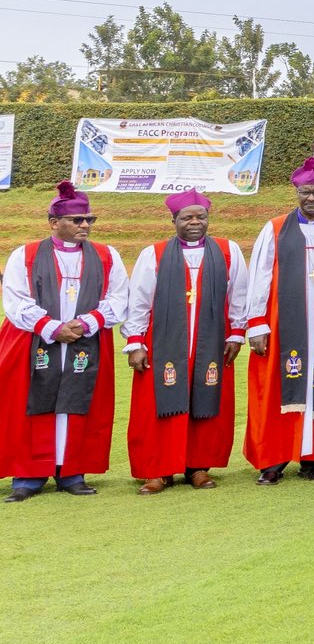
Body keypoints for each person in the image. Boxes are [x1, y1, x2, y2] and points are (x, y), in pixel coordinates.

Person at [1, 182, 127, 501]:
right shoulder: (25, 255)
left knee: (78, 403)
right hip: (35, 342)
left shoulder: (107, 256)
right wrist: (51, 327)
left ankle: (72, 471)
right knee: (31, 405)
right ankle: (29, 475)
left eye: (89, 219)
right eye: (77, 219)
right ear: (54, 223)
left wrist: (86, 323)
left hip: (86, 341)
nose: (85, 225)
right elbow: (15, 299)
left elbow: (118, 298)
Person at [124, 191, 250, 494]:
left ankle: (198, 467)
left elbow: (240, 295)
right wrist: (136, 342)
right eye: (187, 217)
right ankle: (159, 470)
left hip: (212, 342)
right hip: (163, 344)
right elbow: (139, 300)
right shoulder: (153, 254)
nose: (195, 222)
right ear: (174, 221)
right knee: (157, 406)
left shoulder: (228, 251)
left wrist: (236, 333)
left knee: (205, 402)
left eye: (201, 217)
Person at [242, 157, 314, 485]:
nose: (311, 198)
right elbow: (259, 277)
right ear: (297, 192)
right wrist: (257, 324)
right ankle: (273, 461)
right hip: (281, 324)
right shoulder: (275, 228)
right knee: (275, 387)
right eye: (306, 192)